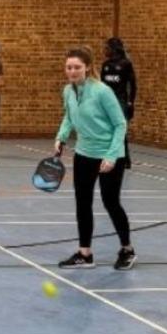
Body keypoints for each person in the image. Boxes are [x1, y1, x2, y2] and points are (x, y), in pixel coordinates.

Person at [55, 46, 135, 271]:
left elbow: (120, 124)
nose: (72, 71)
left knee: (111, 203)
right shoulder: (68, 91)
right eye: (69, 67)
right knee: (82, 204)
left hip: (109, 156)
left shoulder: (102, 91)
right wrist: (60, 138)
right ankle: (85, 253)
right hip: (83, 154)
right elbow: (69, 117)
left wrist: (111, 156)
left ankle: (127, 249)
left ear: (87, 67)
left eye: (77, 67)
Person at [100, 37, 137, 168]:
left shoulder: (126, 64)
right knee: (106, 128)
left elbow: (132, 85)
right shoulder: (105, 65)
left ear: (113, 49)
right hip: (106, 101)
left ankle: (125, 158)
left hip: (120, 101)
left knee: (120, 129)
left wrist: (131, 102)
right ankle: (106, 155)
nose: (104, 50)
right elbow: (101, 86)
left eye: (107, 47)